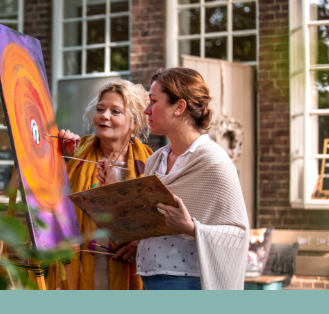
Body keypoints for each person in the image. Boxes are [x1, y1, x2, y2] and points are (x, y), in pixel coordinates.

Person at [98, 68, 250, 290]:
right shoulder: (155, 161)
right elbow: (148, 220)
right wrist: (115, 193)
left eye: (153, 101)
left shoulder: (213, 161)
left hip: (188, 282)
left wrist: (191, 227)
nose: (146, 110)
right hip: (149, 277)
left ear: (179, 107)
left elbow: (237, 234)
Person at [47, 80, 153, 290]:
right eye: (100, 109)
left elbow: (155, 221)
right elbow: (52, 204)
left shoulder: (150, 162)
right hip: (79, 269)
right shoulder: (77, 153)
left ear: (134, 122)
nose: (105, 116)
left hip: (127, 267)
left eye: (116, 111)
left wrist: (140, 245)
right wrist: (65, 160)